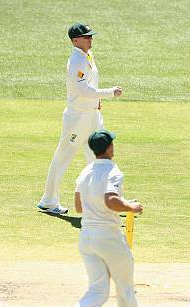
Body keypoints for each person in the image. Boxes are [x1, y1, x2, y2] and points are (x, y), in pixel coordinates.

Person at [58, 130, 150, 307]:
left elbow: (78, 206)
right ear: (109, 148)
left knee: (98, 289)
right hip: (107, 236)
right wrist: (131, 206)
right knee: (126, 289)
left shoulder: (85, 171)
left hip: (86, 237)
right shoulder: (113, 171)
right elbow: (111, 200)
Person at [38, 23, 123, 215]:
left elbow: (91, 85)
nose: (90, 39)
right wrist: (109, 93)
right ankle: (48, 201)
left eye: (91, 36)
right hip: (78, 118)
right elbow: (82, 90)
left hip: (92, 114)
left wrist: (98, 100)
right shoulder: (76, 61)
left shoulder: (88, 56)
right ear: (75, 40)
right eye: (86, 37)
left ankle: (108, 200)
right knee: (63, 157)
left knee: (99, 156)